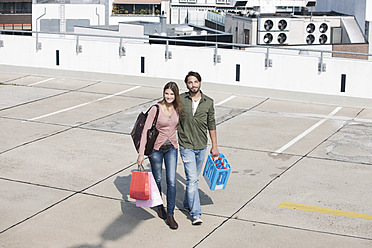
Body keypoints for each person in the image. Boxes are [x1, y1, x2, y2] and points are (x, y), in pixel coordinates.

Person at [137, 81, 181, 230]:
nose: (168, 96)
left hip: (172, 148)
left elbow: (178, 127)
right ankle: (159, 205)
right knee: (157, 179)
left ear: (176, 95)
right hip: (156, 149)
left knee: (172, 181)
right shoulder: (156, 109)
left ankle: (170, 214)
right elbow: (145, 131)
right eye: (166, 93)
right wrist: (141, 153)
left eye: (171, 94)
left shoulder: (177, 109)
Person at [178, 71, 219, 225]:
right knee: (193, 179)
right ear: (186, 84)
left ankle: (187, 204)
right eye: (190, 82)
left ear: (200, 83)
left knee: (192, 180)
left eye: (195, 82)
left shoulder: (208, 102)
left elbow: (212, 124)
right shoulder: (181, 99)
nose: (193, 85)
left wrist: (214, 146)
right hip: (186, 145)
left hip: (201, 146)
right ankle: (196, 213)